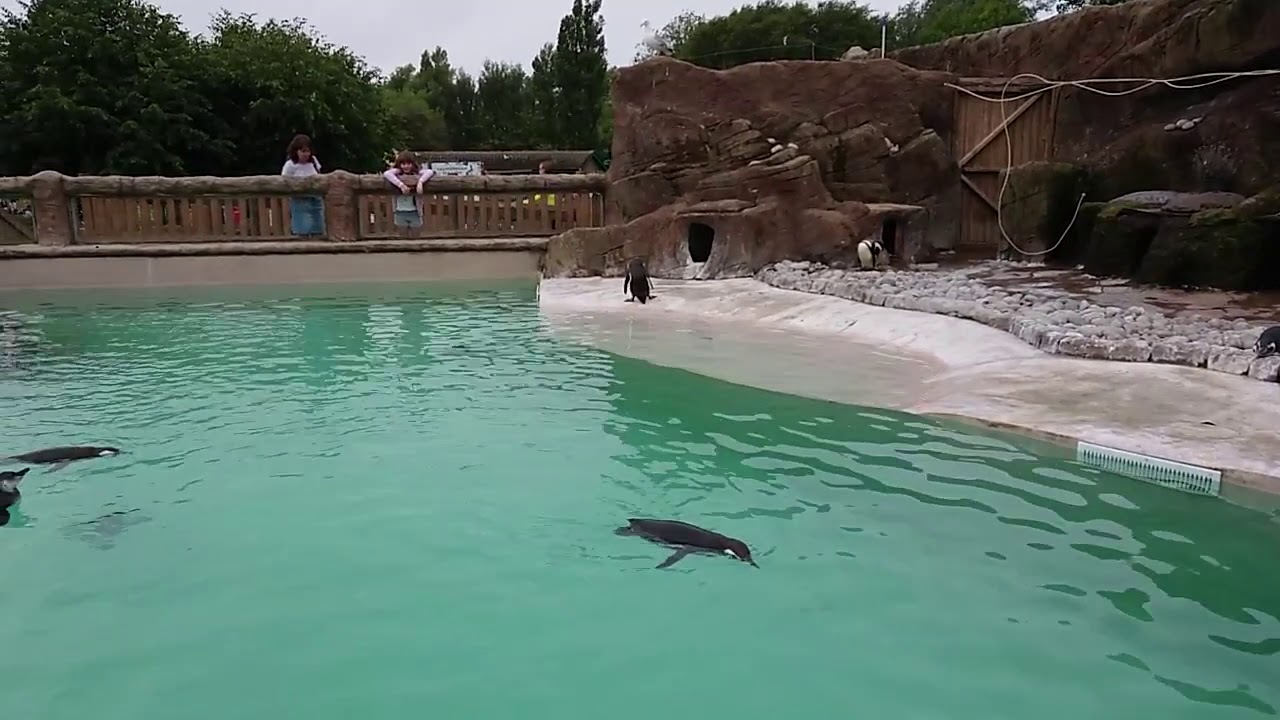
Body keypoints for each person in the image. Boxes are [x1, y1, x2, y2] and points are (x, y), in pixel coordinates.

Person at [281, 134, 325, 238]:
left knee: (318, 226)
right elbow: (284, 180)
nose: (306, 154)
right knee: (303, 226)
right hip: (300, 199)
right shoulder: (290, 165)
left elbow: (320, 175)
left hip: (316, 198)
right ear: (296, 151)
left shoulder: (313, 161)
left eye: (308, 151)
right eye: (303, 151)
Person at [382, 151, 436, 236]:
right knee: (403, 236)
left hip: (415, 211)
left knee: (416, 235)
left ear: (413, 163)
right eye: (403, 164)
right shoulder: (397, 173)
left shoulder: (417, 173)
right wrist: (401, 185)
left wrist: (420, 182)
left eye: (408, 163)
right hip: (400, 211)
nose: (406, 166)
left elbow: (430, 172)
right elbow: (387, 173)